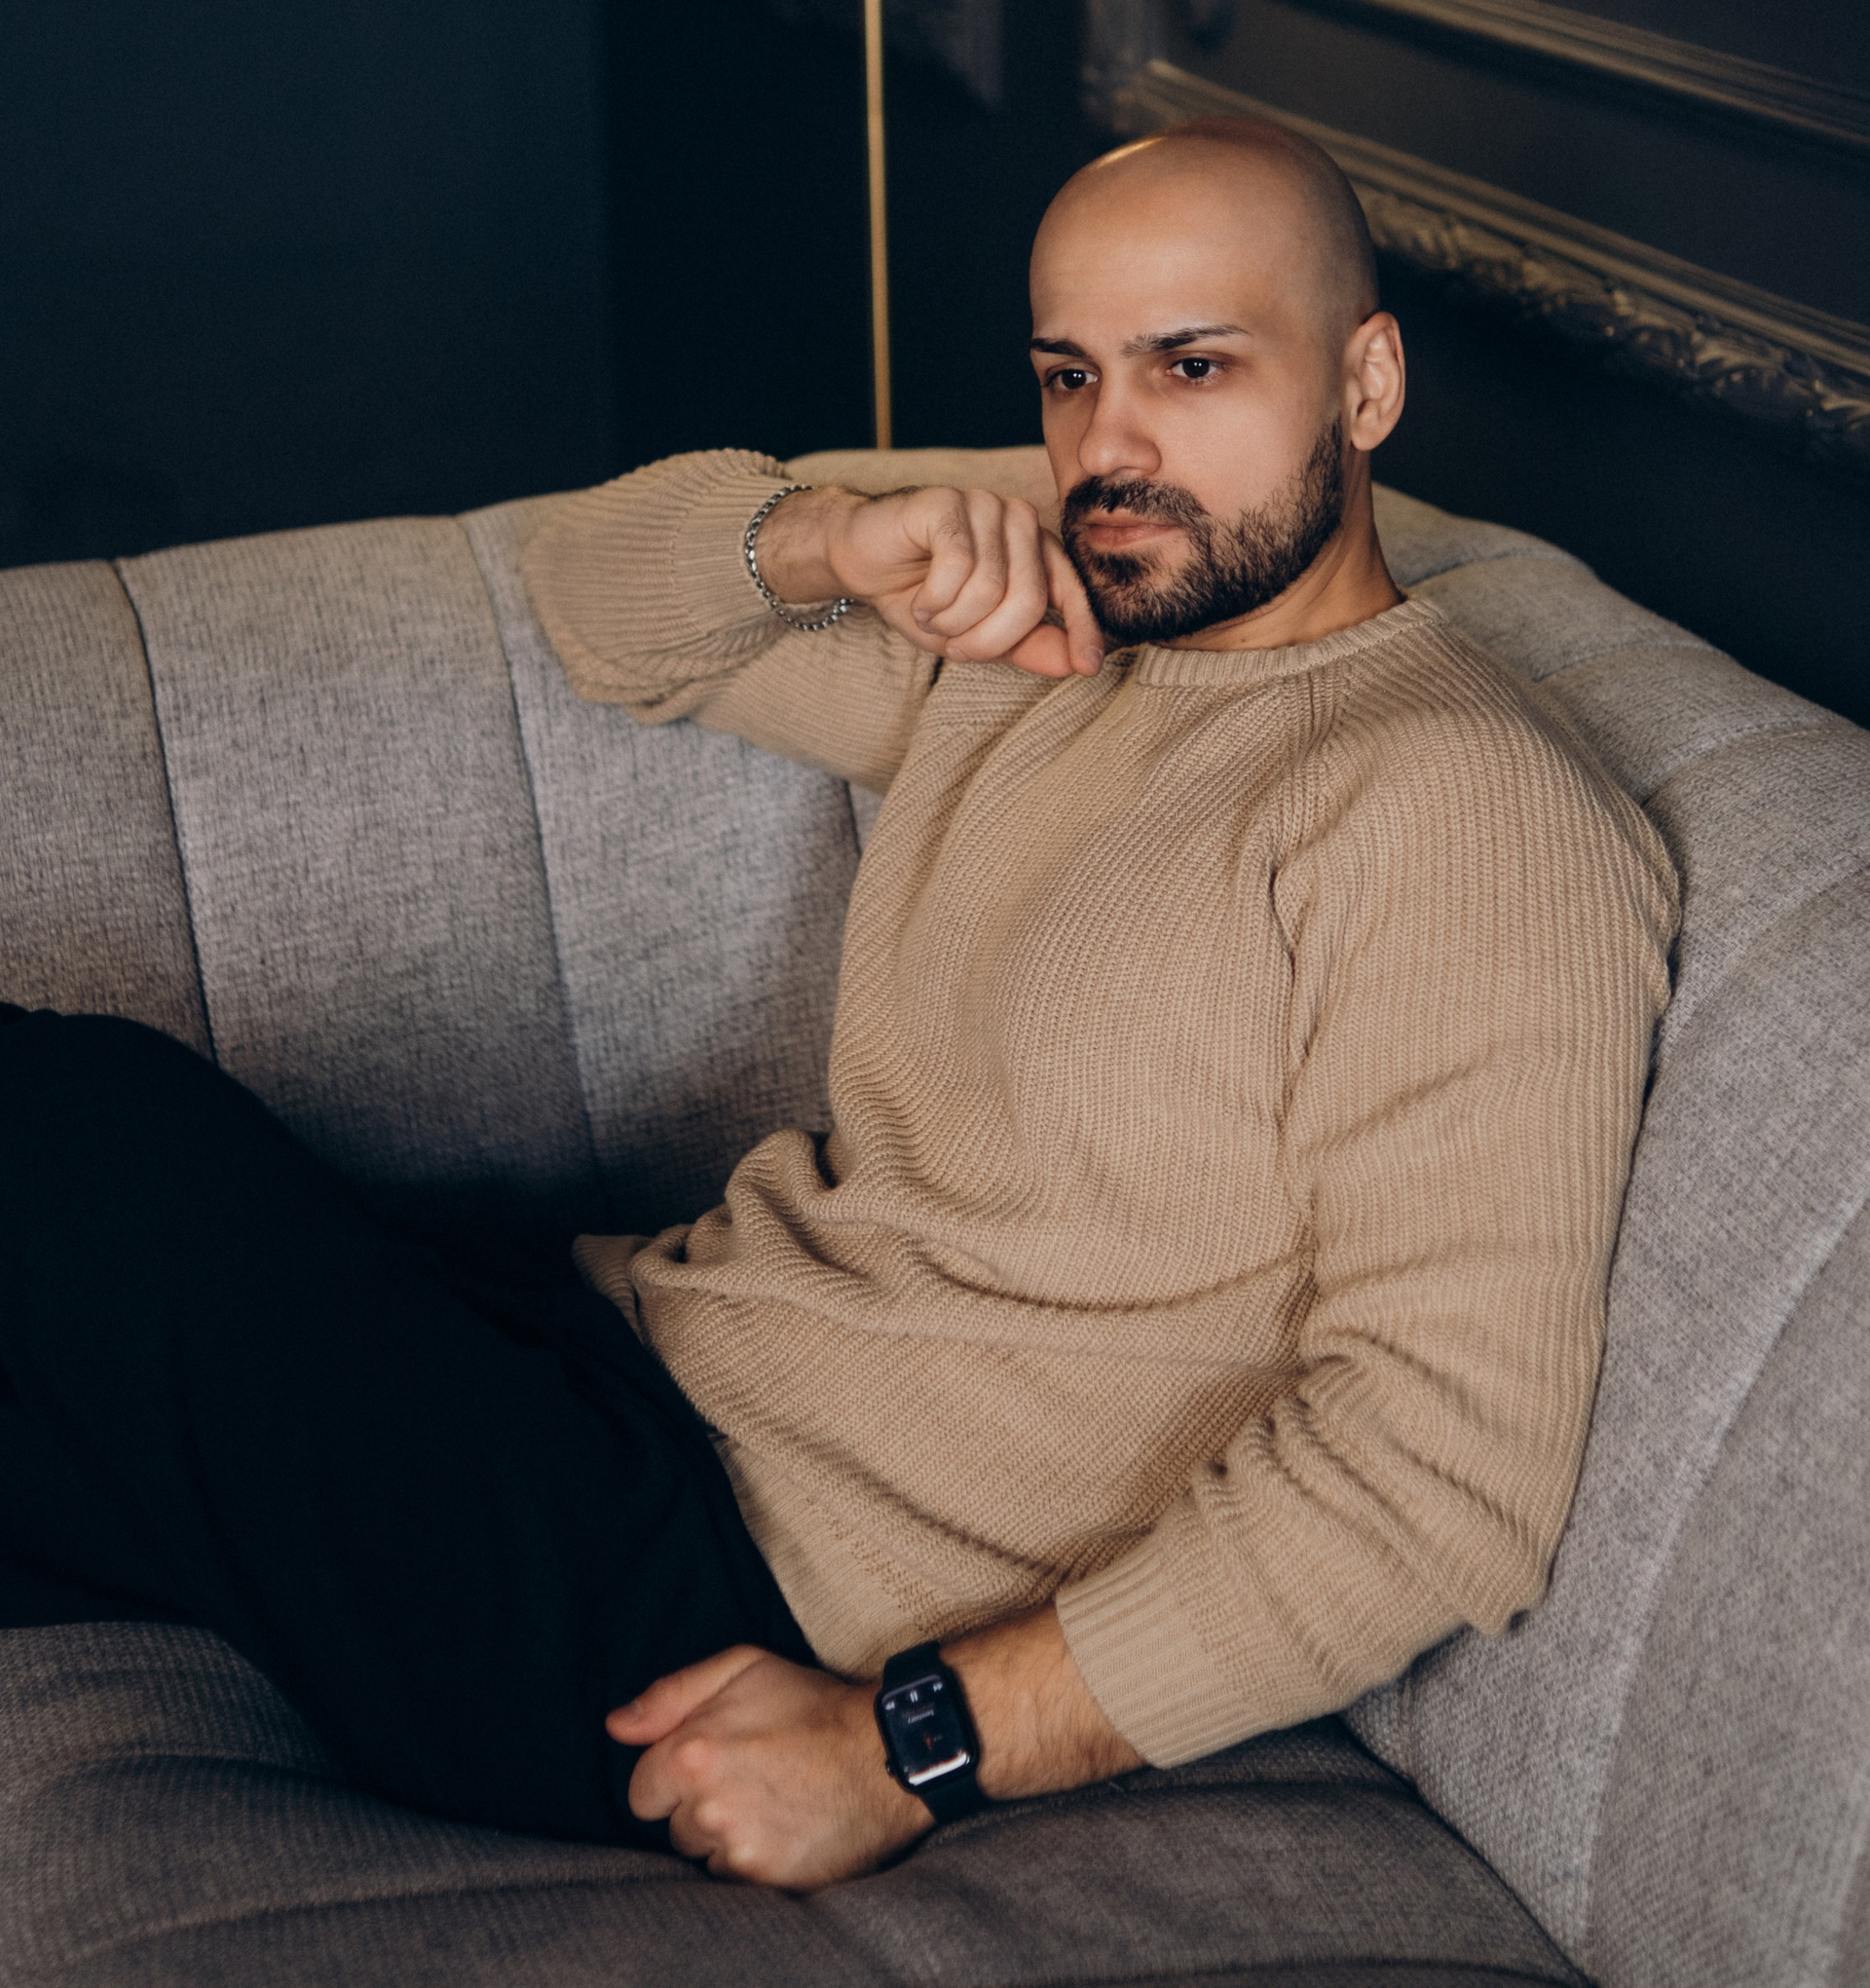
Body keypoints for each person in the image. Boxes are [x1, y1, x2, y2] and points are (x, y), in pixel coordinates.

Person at [0, 121, 1677, 1894]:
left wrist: (906, 1746)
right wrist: (824, 539)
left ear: (1366, 382)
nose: (1110, 447)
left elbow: (1438, 1465)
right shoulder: (1050, 649)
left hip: (712, 1614)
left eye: (1193, 367)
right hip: (605, 1365)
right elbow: (595, 606)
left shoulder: (1466, 808)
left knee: (84, 1129)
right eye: (1068, 375)